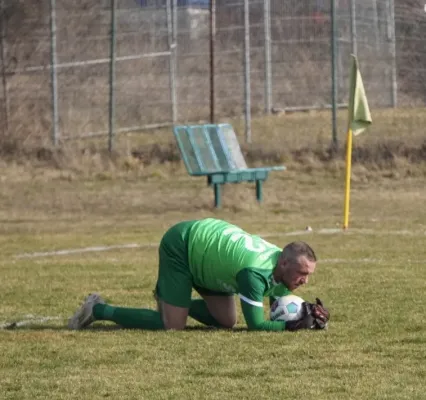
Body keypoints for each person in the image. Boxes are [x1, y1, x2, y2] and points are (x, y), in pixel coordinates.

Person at [68, 218, 329, 332]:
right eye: (302, 273)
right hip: (182, 245)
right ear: (284, 264)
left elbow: (279, 303)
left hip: (210, 259)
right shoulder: (253, 274)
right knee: (172, 325)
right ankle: (99, 309)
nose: (305, 281)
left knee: (226, 321)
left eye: (308, 275)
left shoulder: (281, 267)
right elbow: (257, 325)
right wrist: (293, 326)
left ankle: (172, 300)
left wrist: (307, 314)